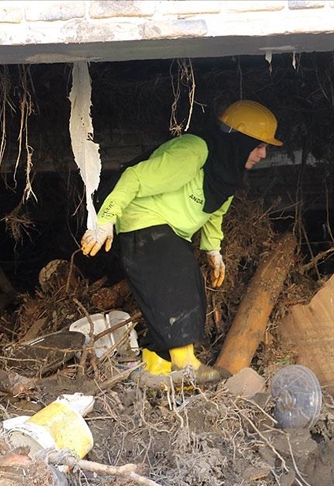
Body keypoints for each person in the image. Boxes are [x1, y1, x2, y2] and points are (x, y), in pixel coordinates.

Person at [80, 100, 282, 383]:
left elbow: (214, 214)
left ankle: (157, 368)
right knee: (178, 275)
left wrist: (213, 249)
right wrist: (106, 220)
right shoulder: (193, 152)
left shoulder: (226, 174)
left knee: (188, 283)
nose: (263, 154)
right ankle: (185, 364)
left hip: (170, 232)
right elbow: (134, 177)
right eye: (259, 145)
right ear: (239, 140)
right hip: (143, 222)